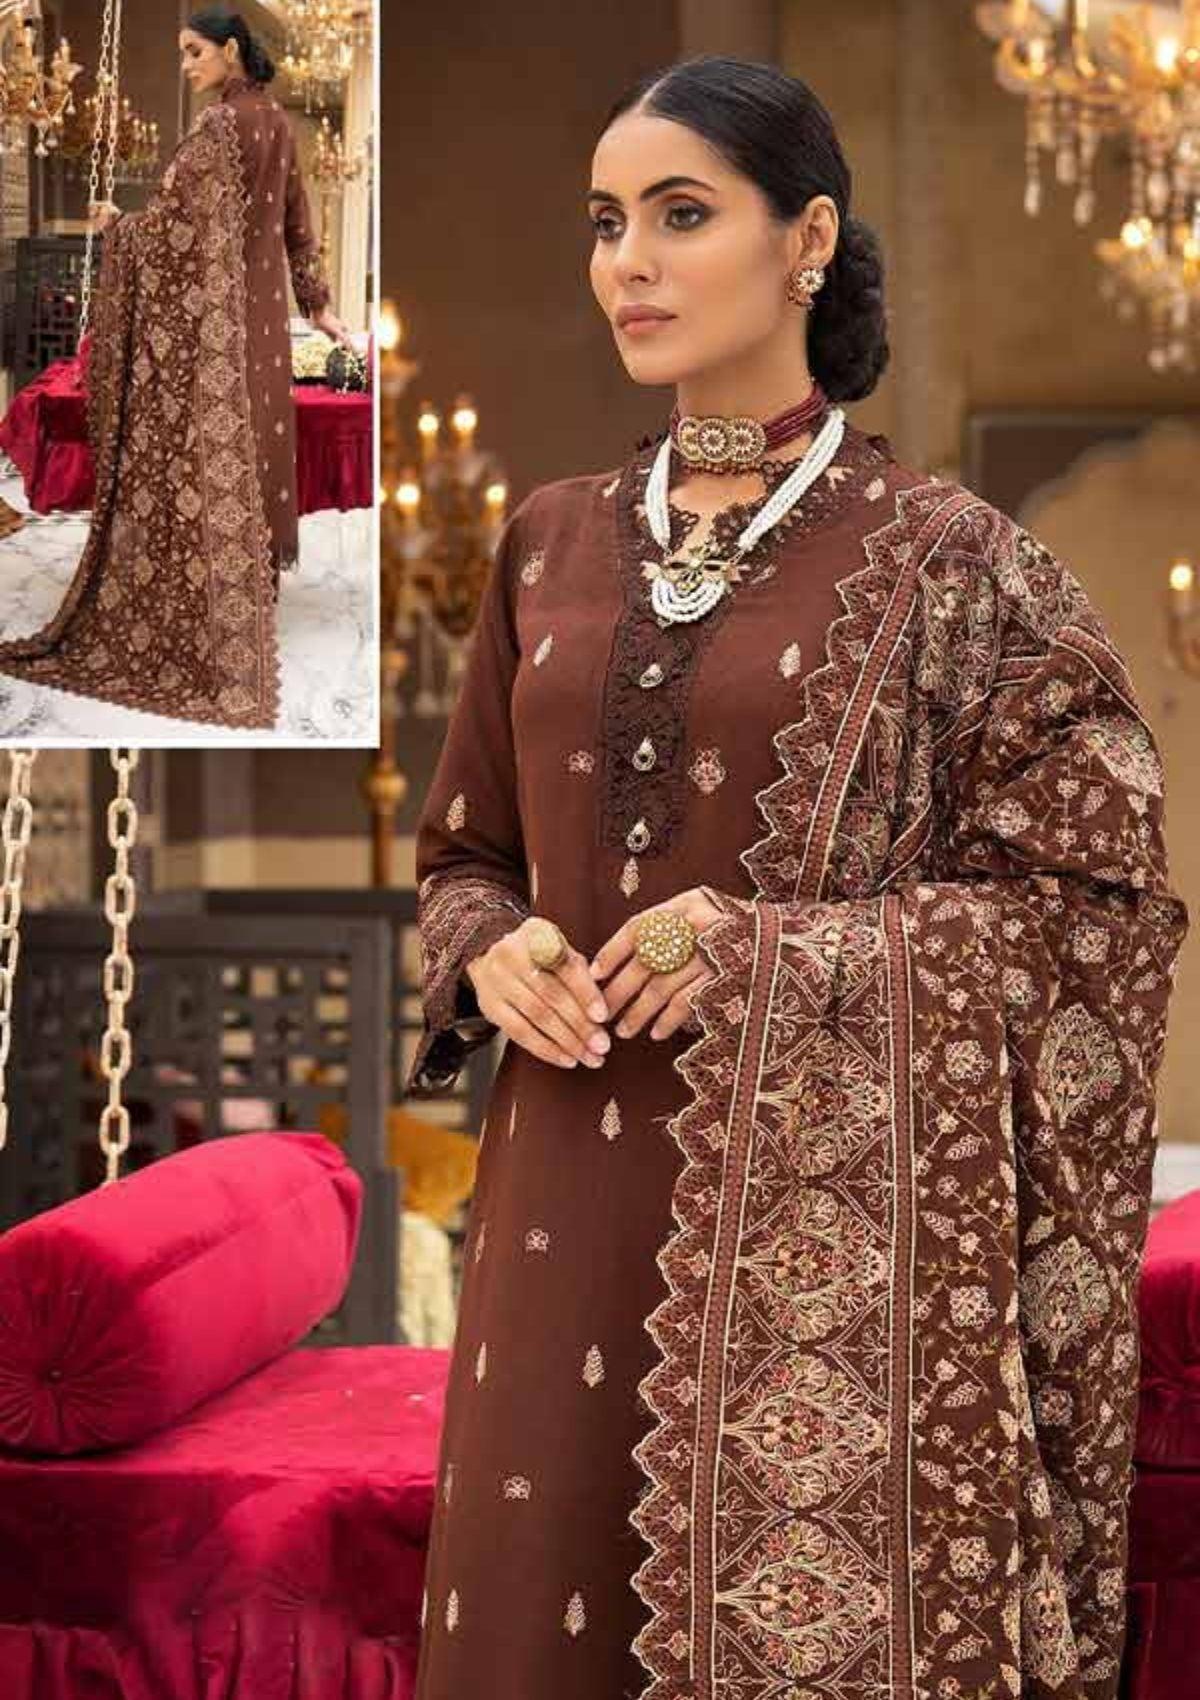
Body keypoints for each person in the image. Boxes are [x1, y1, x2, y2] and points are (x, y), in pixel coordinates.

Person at [405, 55, 1189, 1700]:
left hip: (828, 1279)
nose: (629, 262)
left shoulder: (959, 563)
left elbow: (1094, 908)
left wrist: (777, 957)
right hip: (551, 1217)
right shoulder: (547, 542)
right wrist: (487, 947)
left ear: (808, 239)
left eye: (681, 216)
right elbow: (465, 850)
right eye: (606, 222)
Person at [0, 7, 351, 729]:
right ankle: (244, 602)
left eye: (194, 52)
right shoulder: (277, 123)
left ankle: (201, 612)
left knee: (195, 457)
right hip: (261, 333)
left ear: (231, 49)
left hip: (212, 336)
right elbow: (298, 227)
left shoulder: (219, 126)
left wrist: (116, 228)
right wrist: (318, 307)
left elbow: (174, 232)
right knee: (248, 451)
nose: (187, 65)